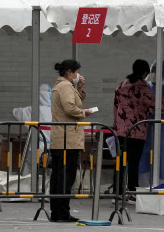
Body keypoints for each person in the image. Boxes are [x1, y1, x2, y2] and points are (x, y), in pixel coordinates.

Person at [113, 59, 164, 201]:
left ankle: (117, 191)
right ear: (145, 73)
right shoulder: (142, 88)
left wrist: (116, 125)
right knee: (133, 162)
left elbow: (115, 106)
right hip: (136, 131)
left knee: (120, 161)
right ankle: (132, 191)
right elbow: (158, 105)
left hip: (121, 130)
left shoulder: (122, 84)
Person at [49, 60, 94, 222]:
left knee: (58, 176)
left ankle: (57, 212)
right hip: (67, 139)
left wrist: (79, 89)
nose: (78, 75)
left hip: (60, 138)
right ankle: (62, 212)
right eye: (76, 72)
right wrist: (85, 113)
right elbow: (70, 108)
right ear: (69, 72)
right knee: (66, 177)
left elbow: (72, 102)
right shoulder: (65, 87)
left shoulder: (61, 86)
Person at [139, 60, 164, 186]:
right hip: (145, 128)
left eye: (157, 71)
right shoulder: (144, 88)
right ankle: (143, 186)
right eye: (152, 71)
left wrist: (161, 109)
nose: (153, 74)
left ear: (163, 75)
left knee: (162, 157)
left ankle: (160, 185)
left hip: (163, 129)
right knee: (144, 157)